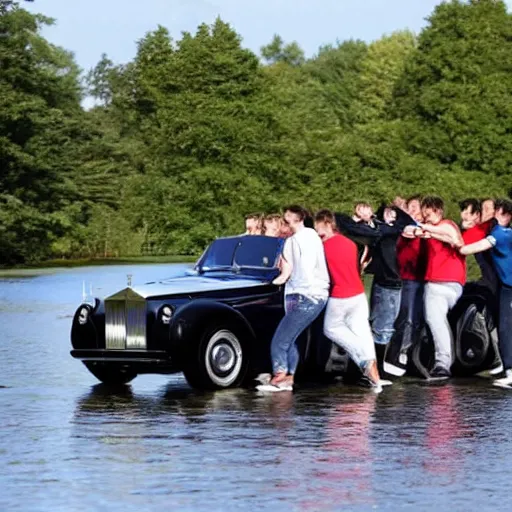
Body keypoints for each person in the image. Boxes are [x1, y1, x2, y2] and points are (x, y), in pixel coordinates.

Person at [314, 209, 387, 392]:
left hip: (340, 294)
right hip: (359, 294)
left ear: (329, 225)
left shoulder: (323, 247)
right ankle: (375, 376)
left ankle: (365, 360)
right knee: (362, 331)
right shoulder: (351, 244)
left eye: (320, 231)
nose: (318, 235)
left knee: (331, 328)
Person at [265, 205, 330, 391]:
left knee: (280, 340)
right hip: (307, 293)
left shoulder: (298, 239)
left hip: (305, 294)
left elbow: (290, 272)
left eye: (285, 220)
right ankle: (288, 377)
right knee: (291, 339)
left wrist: (271, 283)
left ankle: (279, 375)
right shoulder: (305, 238)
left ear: (295, 219)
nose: (283, 225)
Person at [460, 199, 512, 387]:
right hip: (501, 285)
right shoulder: (495, 230)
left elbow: (469, 246)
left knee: (505, 326)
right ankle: (505, 366)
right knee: (502, 324)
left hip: (506, 285)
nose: (489, 213)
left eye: (494, 210)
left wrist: (458, 245)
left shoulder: (499, 233)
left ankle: (509, 368)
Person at [415, 196, 465, 380]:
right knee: (438, 322)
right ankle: (442, 360)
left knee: (435, 321)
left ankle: (442, 364)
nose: (426, 217)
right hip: (448, 282)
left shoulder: (447, 224)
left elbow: (450, 235)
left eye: (428, 213)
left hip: (441, 282)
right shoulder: (435, 231)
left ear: (438, 211)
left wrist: (424, 227)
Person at [385, 195, 426, 376]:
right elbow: (407, 229)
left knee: (416, 319)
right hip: (405, 278)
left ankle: (410, 355)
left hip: (421, 279)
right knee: (404, 318)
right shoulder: (405, 228)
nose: (413, 211)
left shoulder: (425, 229)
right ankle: (395, 354)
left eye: (416, 207)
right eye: (411, 207)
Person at [459, 198, 498, 292]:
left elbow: (459, 244)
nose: (483, 212)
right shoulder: (480, 228)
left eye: (487, 209)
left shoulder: (490, 227)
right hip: (490, 279)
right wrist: (462, 227)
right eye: (482, 209)